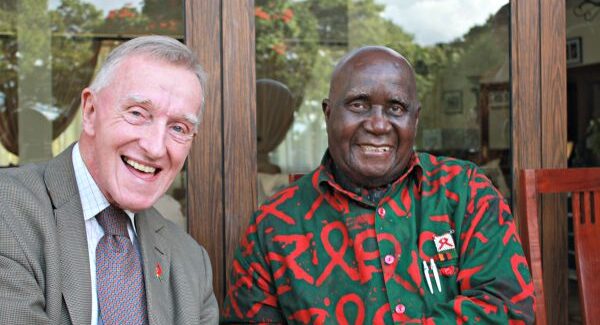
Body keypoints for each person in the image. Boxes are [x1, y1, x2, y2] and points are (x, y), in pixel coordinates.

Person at [222, 46, 535, 324]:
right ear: (328, 113)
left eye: (396, 108)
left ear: (415, 119)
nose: (378, 124)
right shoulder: (274, 225)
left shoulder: (465, 192)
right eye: (359, 104)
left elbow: (508, 308)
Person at [0, 36, 218, 324]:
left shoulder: (192, 262)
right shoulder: (8, 211)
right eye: (138, 113)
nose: (155, 147)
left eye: (178, 127)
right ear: (90, 111)